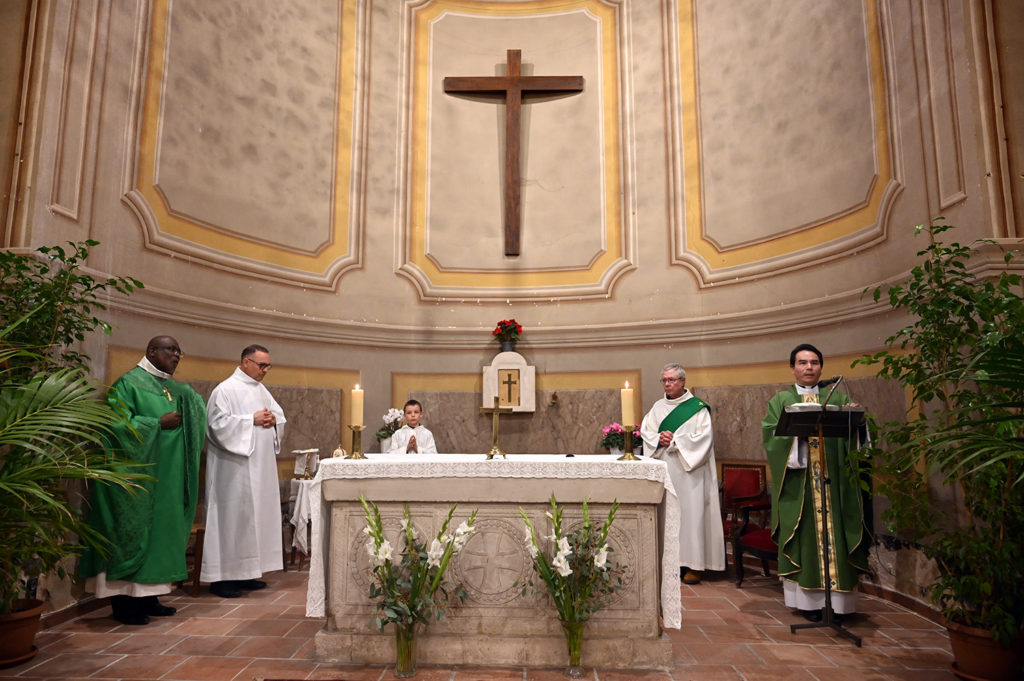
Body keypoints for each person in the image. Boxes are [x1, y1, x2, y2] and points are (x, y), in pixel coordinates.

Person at [79, 336, 206, 625]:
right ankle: (124, 606)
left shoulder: (174, 388)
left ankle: (149, 598)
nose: (176, 355)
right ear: (151, 351)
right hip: (136, 480)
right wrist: (156, 424)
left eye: (178, 351)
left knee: (160, 537)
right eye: (170, 350)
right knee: (132, 536)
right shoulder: (128, 384)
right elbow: (113, 426)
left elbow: (196, 415)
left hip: (167, 481)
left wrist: (194, 406)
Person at [762, 343, 870, 622]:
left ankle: (840, 605)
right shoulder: (780, 400)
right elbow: (772, 438)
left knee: (838, 536)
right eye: (802, 362)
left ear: (821, 366)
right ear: (792, 368)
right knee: (805, 538)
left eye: (814, 362)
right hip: (801, 486)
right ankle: (809, 604)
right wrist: (795, 436)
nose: (809, 367)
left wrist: (857, 421)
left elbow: (857, 440)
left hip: (835, 486)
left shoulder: (839, 396)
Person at [201, 344, 287, 598]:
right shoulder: (224, 390)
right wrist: (251, 420)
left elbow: (278, 416)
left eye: (268, 365)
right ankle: (223, 579)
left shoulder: (261, 391)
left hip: (260, 469)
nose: (265, 370)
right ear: (246, 362)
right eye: (262, 365)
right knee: (232, 520)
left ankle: (248, 572)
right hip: (232, 472)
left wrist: (273, 422)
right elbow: (216, 426)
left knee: (254, 519)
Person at [640, 363, 725, 584]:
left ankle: (693, 565)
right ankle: (670, 562)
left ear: (683, 381)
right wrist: (658, 439)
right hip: (666, 469)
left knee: (691, 517)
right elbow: (646, 431)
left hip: (691, 474)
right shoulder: (657, 407)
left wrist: (676, 440)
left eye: (672, 380)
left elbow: (705, 439)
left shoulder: (697, 408)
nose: (667, 384)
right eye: (664, 380)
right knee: (669, 516)